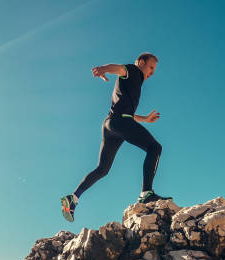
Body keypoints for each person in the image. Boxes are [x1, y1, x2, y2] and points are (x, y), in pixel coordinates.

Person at [61, 52, 171, 222]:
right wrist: (103, 69)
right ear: (141, 62)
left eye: (154, 70)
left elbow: (128, 114)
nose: (152, 72)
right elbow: (119, 68)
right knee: (154, 148)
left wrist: (145, 119)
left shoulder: (134, 82)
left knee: (103, 169)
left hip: (111, 124)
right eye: (151, 67)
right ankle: (146, 193)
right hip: (120, 122)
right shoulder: (134, 71)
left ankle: (73, 198)